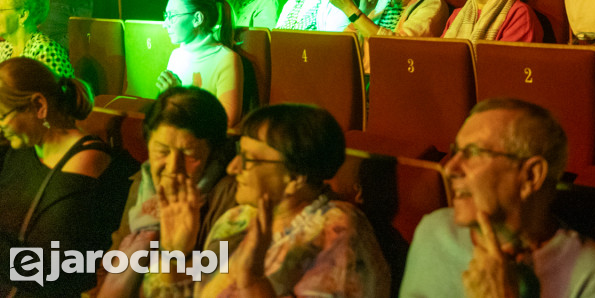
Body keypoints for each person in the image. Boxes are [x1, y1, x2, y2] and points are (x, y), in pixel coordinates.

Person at [142, 103, 390, 296]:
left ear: (295, 177)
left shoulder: (338, 230)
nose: (233, 168)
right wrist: (175, 255)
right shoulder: (237, 219)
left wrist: (253, 282)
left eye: (249, 159)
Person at [401, 98, 595, 297]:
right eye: (456, 152)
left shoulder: (593, 277)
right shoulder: (432, 232)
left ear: (531, 176)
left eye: (474, 153)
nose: (450, 168)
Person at [0, 57, 131, 297]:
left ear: (39, 106)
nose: (0, 126)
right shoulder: (22, 149)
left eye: (2, 116)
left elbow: (45, 271)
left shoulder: (86, 163)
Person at [98, 87, 236, 298]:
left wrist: (179, 255)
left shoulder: (229, 198)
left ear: (213, 152)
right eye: (162, 151)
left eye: (189, 155)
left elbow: (219, 286)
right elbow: (110, 264)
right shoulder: (144, 185)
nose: (173, 168)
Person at [157, 0, 244, 127]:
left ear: (197, 18)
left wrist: (181, 96)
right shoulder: (176, 55)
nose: (165, 24)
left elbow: (227, 120)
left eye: (172, 16)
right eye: (166, 16)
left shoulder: (226, 59)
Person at [0, 0, 74, 77]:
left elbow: (57, 92)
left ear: (23, 15)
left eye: (1, 10)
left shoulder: (46, 51)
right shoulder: (4, 48)